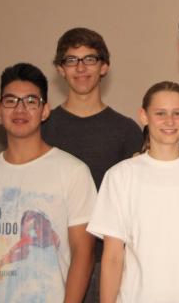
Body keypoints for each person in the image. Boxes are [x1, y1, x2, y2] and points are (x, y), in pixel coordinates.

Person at [0, 63, 97, 303]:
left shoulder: (73, 172)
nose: (20, 109)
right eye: (11, 101)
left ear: (44, 111)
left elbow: (84, 253)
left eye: (31, 101)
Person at [87, 81, 179, 303]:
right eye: (160, 113)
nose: (169, 121)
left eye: (177, 113)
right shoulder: (119, 177)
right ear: (144, 116)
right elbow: (112, 258)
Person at [42, 27, 142, 301]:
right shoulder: (43, 129)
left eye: (89, 59)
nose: (81, 68)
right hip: (50, 261)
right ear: (60, 69)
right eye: (71, 60)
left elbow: (137, 202)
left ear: (104, 67)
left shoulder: (126, 131)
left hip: (109, 261)